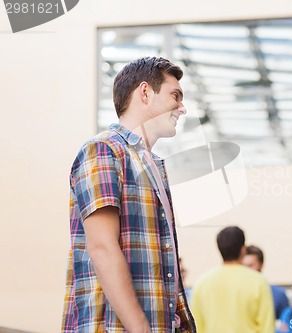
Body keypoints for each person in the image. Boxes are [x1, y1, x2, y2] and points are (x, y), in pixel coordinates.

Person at [61, 57, 196, 333]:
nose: (182, 108)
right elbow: (102, 247)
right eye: (175, 96)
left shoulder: (154, 167)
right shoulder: (103, 150)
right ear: (145, 93)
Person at [190, 226, 275, 333]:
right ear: (243, 249)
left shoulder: (201, 283)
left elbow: (197, 327)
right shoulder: (258, 281)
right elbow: (267, 328)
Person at [243, 245, 290, 320]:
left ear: (261, 265)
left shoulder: (278, 295)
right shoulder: (236, 294)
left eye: (250, 265)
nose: (246, 270)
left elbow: (285, 326)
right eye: (243, 266)